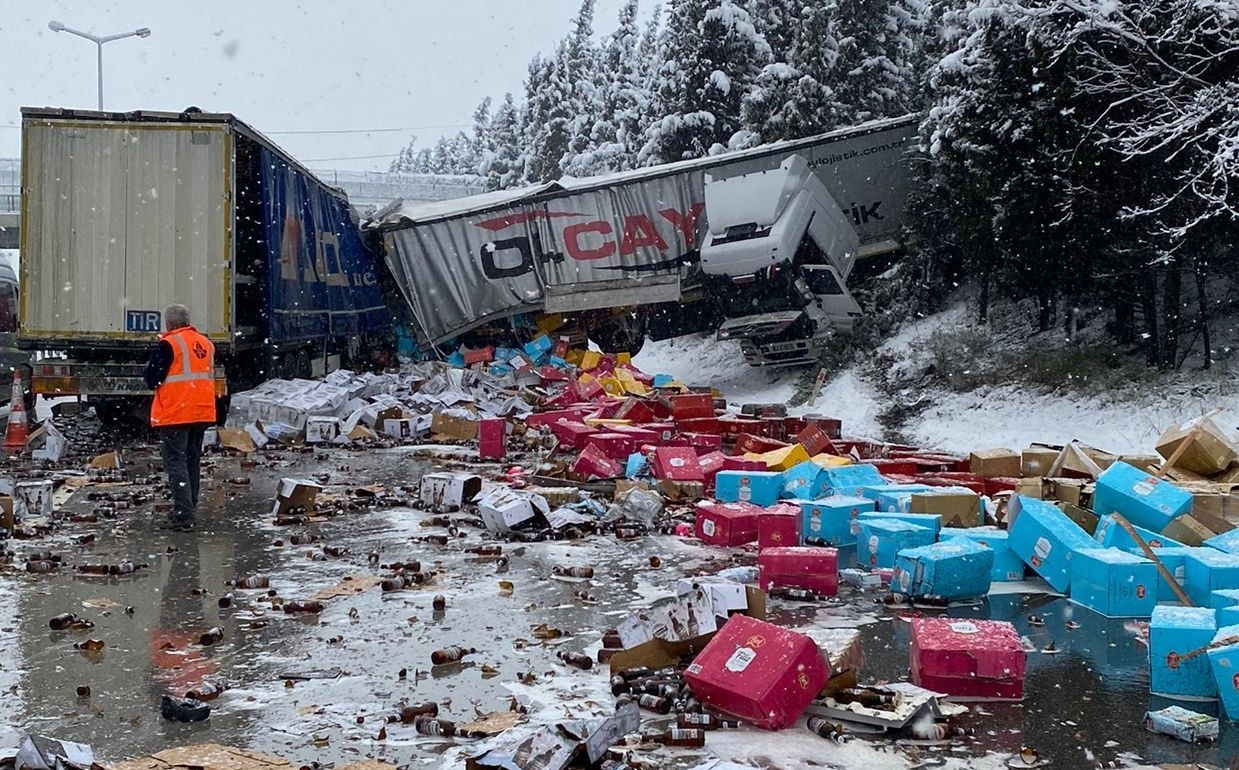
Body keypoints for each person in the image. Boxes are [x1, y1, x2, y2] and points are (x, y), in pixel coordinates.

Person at [144, 304, 216, 529]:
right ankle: (189, 505)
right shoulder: (205, 343)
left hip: (177, 411)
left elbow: (152, 377)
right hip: (201, 410)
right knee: (192, 459)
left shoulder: (169, 344)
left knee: (175, 461)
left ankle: (184, 514)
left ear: (168, 324)